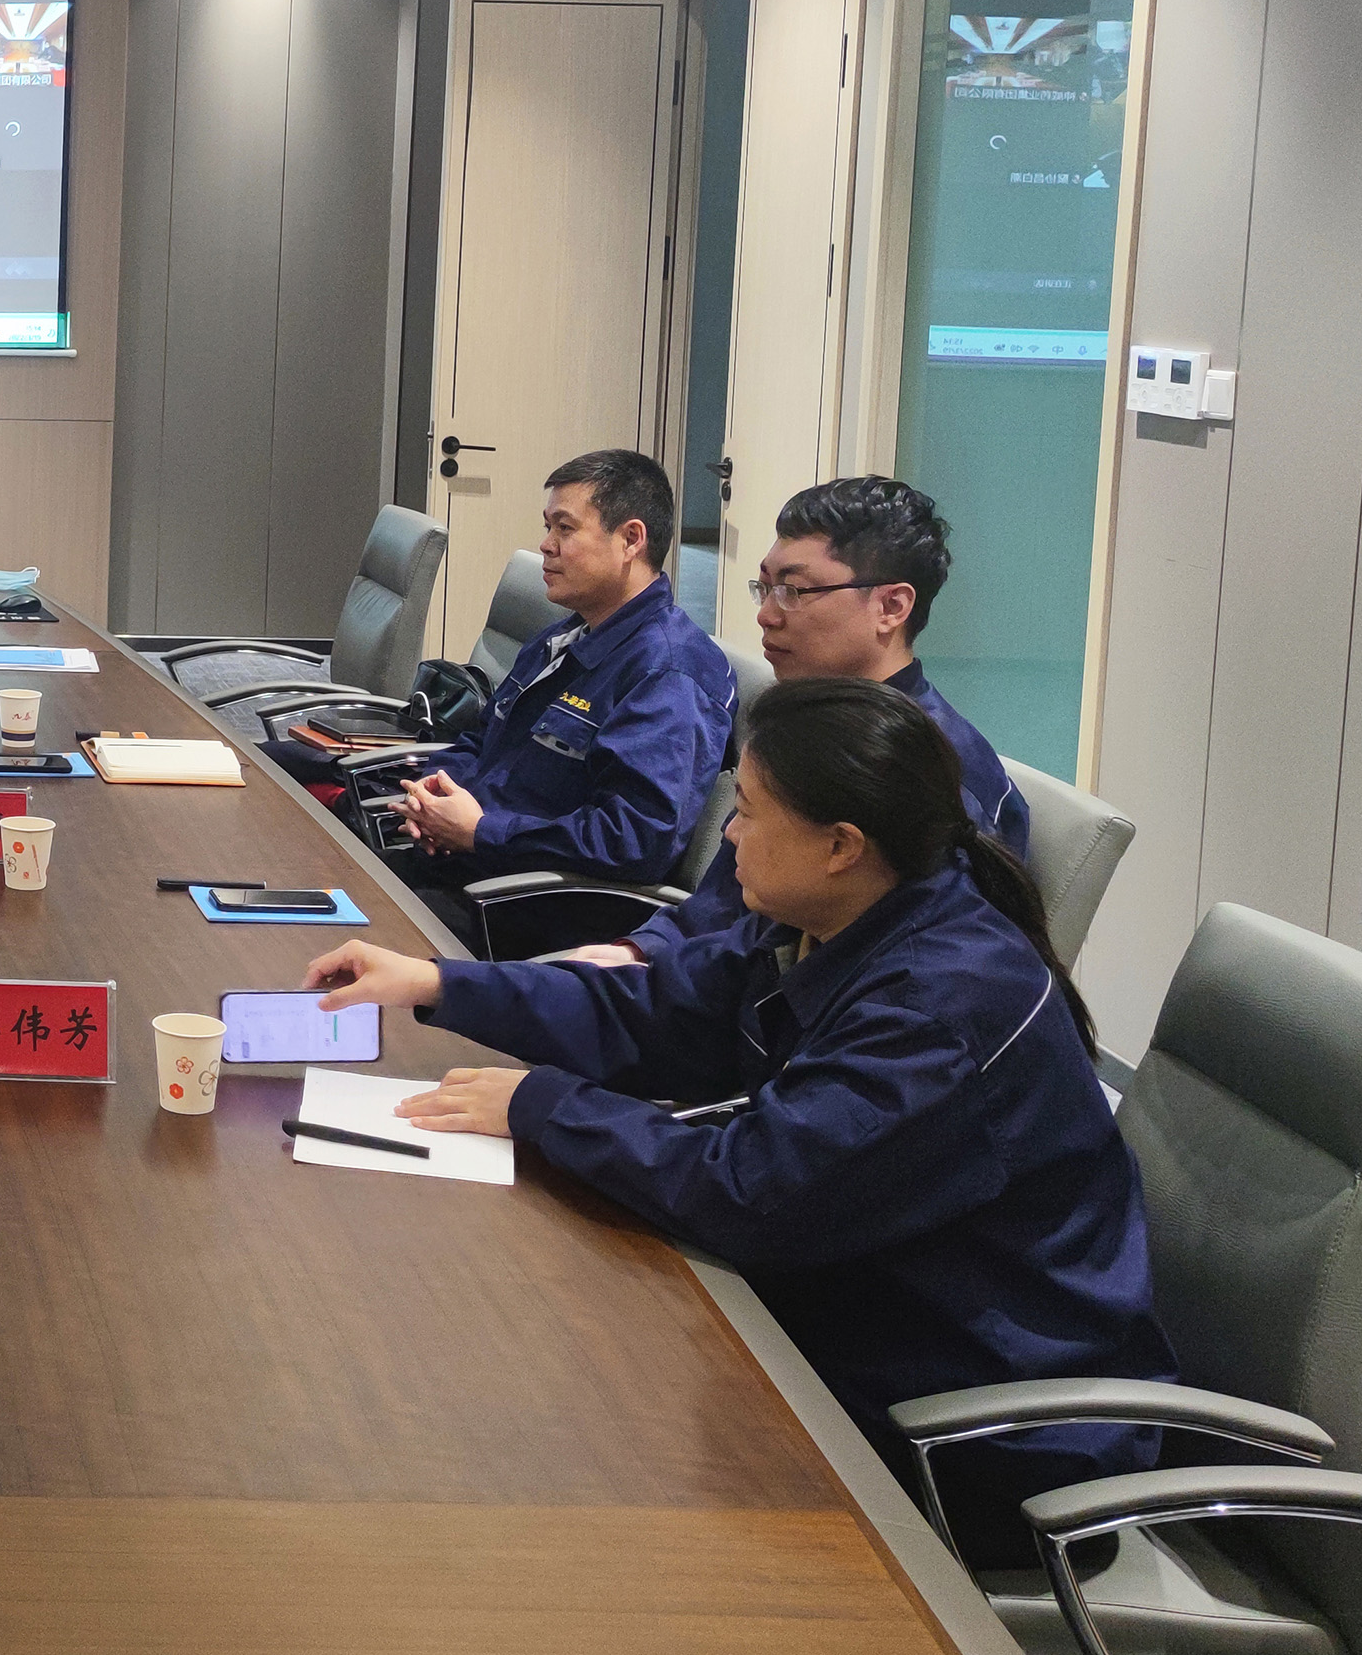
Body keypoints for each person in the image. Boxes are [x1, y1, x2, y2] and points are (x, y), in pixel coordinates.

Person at [307, 678, 1173, 1566]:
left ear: (840, 845)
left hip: (983, 1433)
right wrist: (440, 983)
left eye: (750, 812)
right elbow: (657, 1011)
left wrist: (539, 1103)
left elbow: (751, 1190)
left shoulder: (938, 1006)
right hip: (868, 1317)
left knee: (575, 1446)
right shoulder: (834, 917)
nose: (726, 834)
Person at [566, 475, 1028, 971]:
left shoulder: (934, 780)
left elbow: (889, 975)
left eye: (793, 590)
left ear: (891, 607)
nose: (766, 615)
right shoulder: (808, 726)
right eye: (765, 588)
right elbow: (723, 907)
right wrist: (641, 950)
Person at [380, 449, 733, 936]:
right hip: (468, 861)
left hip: (526, 904)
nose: (546, 546)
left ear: (631, 539)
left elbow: (634, 840)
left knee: (347, 931)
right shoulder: (567, 635)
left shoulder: (668, 673)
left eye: (565, 528)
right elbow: (483, 741)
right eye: (548, 527)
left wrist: (481, 832)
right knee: (324, 862)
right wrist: (434, 793)